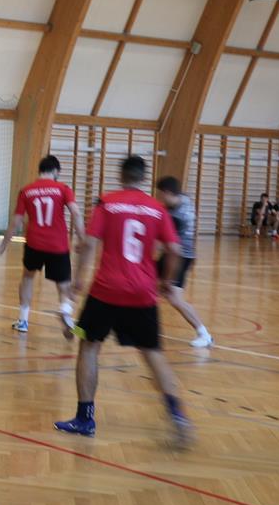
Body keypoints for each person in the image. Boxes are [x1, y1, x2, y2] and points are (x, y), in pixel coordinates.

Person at [56, 155, 191, 447]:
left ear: (121, 176)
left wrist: (78, 282)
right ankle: (178, 415)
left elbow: (89, 244)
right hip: (143, 292)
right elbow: (175, 250)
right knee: (153, 353)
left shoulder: (107, 202)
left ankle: (85, 419)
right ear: (143, 178)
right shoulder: (157, 208)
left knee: (88, 346)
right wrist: (166, 281)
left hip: (105, 291)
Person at [0, 154, 83, 334]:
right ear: (56, 171)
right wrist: (82, 240)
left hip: (34, 244)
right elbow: (76, 213)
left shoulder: (26, 191)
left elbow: (16, 220)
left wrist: (4, 243)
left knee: (27, 278)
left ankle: (23, 321)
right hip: (58, 245)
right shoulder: (63, 189)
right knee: (63, 283)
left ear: (40, 171)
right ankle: (65, 312)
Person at [156, 176, 212, 348]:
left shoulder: (177, 216)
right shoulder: (184, 200)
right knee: (144, 284)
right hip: (176, 255)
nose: (159, 198)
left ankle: (204, 334)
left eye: (160, 194)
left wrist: (167, 278)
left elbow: (169, 246)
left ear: (167, 192)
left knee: (174, 298)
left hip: (179, 258)